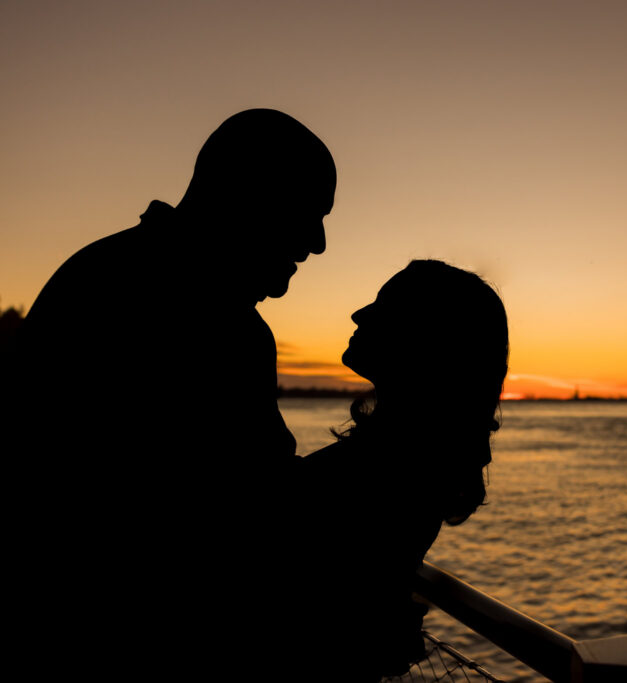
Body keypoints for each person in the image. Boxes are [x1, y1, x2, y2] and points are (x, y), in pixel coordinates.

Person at [5, 109, 336, 673]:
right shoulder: (214, 323)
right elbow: (242, 513)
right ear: (249, 194)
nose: (319, 243)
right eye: (309, 211)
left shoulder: (100, 270)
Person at [297, 259, 509, 680]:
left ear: (423, 340)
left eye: (383, 306)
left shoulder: (392, 469)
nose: (360, 314)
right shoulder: (408, 459)